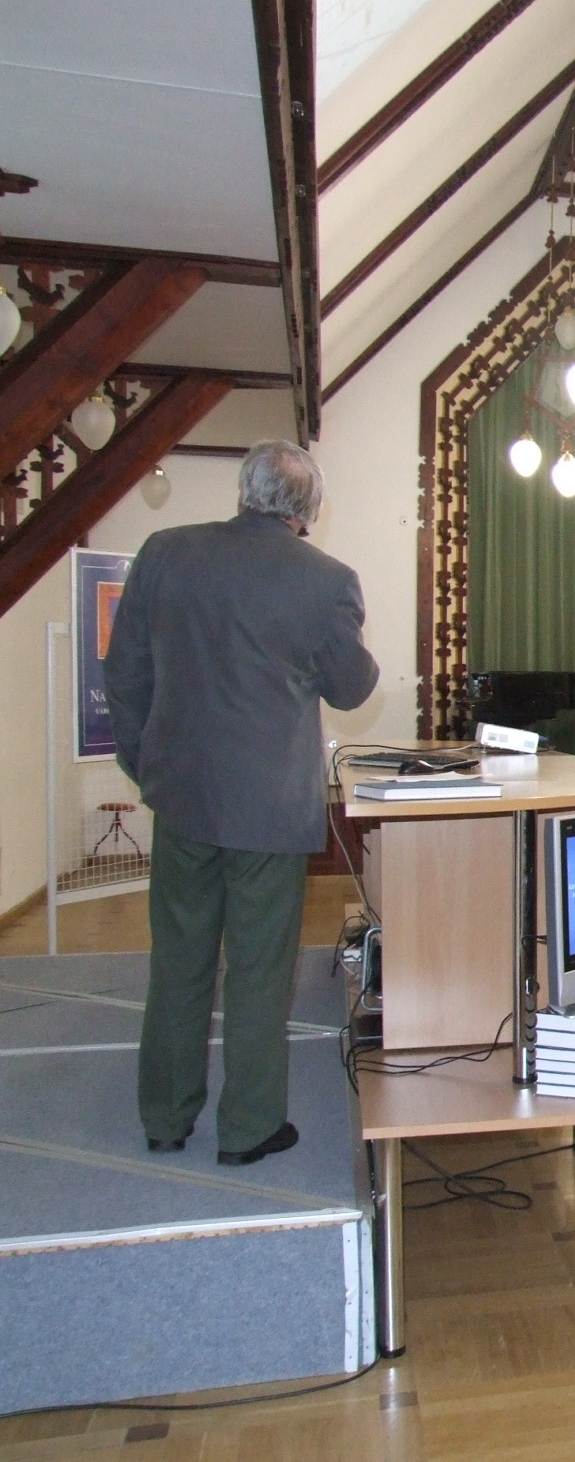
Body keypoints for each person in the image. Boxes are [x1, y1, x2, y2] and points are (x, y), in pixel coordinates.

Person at [104, 441, 379, 1165]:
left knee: (178, 959)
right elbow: (352, 687)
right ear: (307, 509)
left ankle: (165, 1116)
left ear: (243, 490)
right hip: (268, 810)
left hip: (182, 796)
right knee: (259, 970)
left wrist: (146, 766)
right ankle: (248, 1128)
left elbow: (124, 672)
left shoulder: (164, 553)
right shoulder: (327, 581)